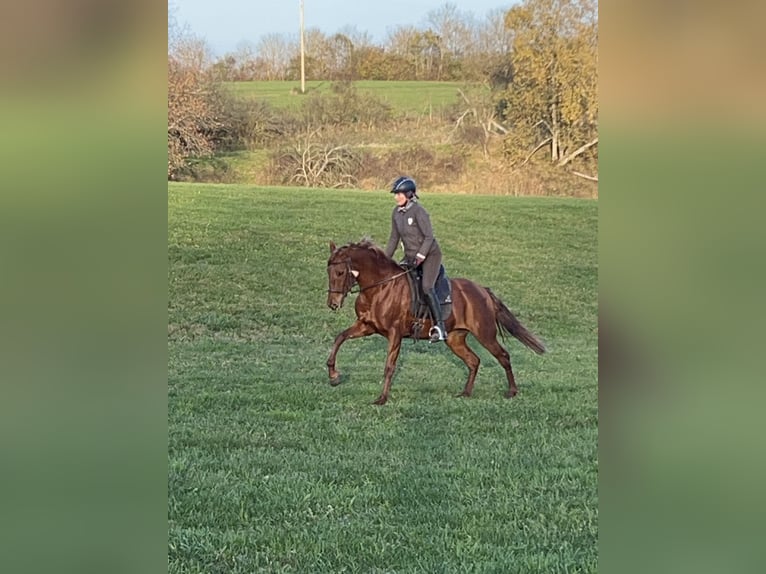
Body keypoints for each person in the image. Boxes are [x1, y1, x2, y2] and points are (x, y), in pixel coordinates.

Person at [383, 176, 447, 342]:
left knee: (426, 286)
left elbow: (429, 237)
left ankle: (440, 327)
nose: (396, 197)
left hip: (430, 255)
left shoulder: (419, 212)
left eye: (399, 194)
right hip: (410, 256)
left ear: (410, 194)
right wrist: (383, 260)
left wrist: (420, 256)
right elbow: (393, 239)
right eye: (395, 194)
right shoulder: (396, 213)